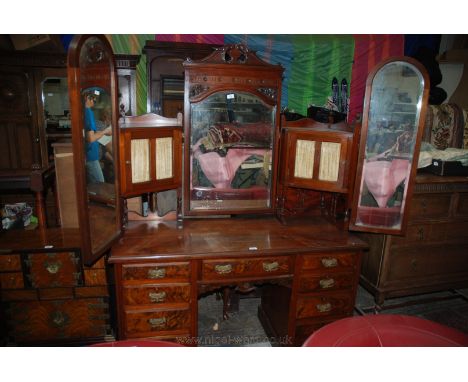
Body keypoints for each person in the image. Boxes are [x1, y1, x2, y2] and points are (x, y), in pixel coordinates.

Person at [84, 91, 111, 183]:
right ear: (87, 98)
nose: (94, 100)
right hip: (91, 155)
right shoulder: (88, 112)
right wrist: (105, 131)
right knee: (100, 185)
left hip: (92, 155)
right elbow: (90, 138)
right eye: (93, 98)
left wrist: (102, 133)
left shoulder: (87, 112)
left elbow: (91, 133)